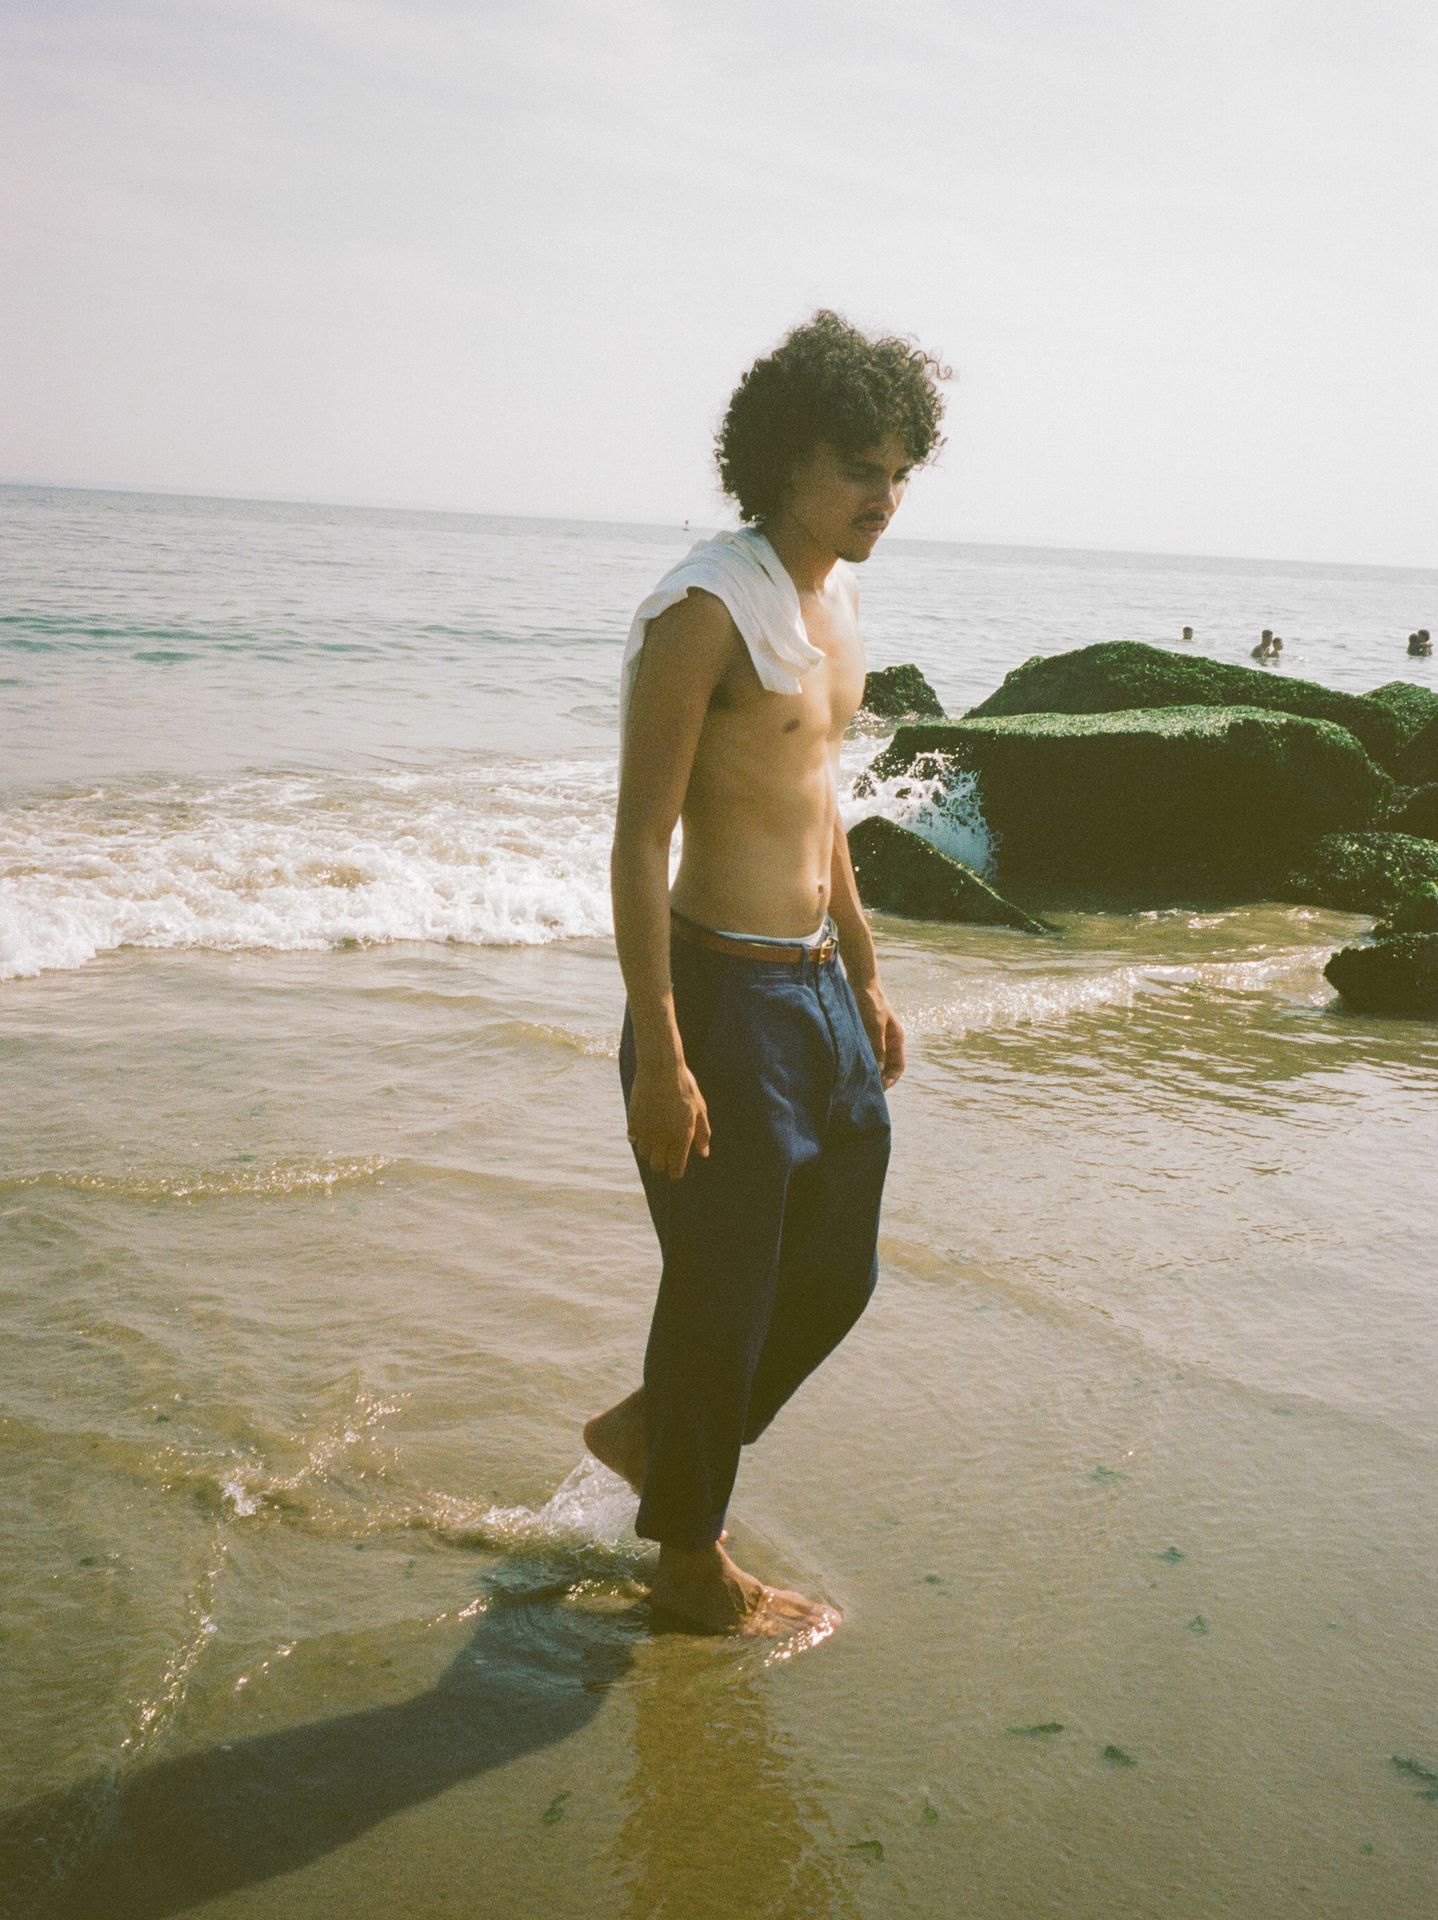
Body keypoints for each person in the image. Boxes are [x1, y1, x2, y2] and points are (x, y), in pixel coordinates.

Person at [585, 310, 949, 1636]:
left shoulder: (836, 603)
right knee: (723, 1296)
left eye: (900, 469)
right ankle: (688, 1565)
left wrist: (863, 973)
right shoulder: (702, 610)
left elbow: (816, 803)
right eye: (860, 466)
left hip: (810, 991)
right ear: (785, 461)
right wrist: (661, 1053)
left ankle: (657, 1435)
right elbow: (638, 839)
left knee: (833, 1276)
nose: (884, 496)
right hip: (719, 998)